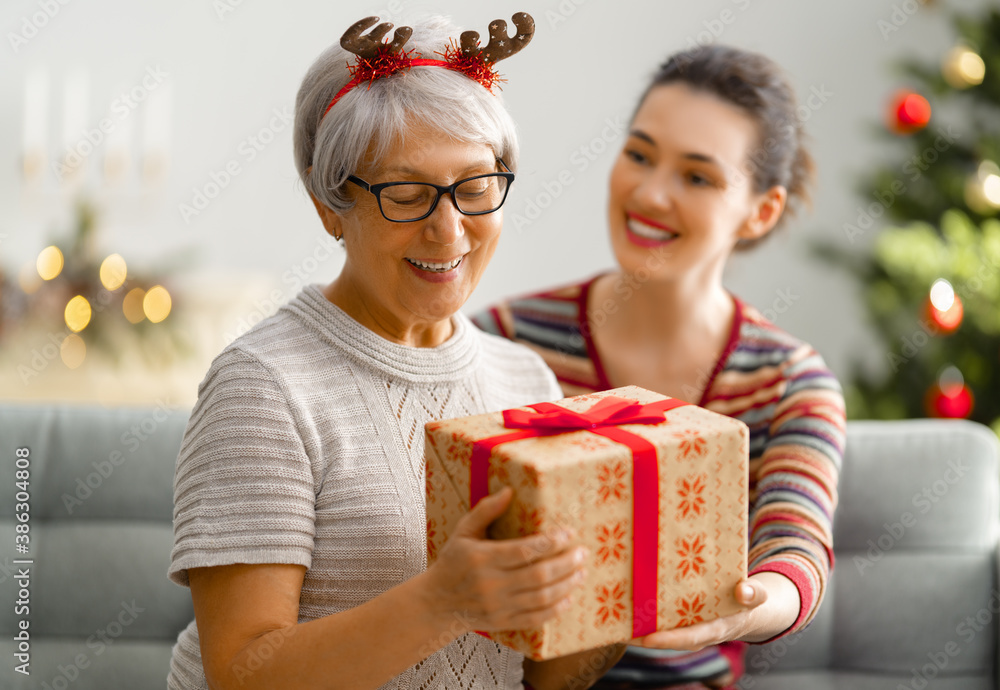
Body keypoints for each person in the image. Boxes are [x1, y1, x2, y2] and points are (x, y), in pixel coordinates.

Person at [167, 14, 627, 690]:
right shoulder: (262, 386)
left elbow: (541, 673)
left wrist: (625, 594)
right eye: (406, 194)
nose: (448, 231)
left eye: (474, 187)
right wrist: (444, 601)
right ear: (330, 206)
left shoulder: (525, 380)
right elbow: (242, 672)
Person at [472, 45, 846, 689]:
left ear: (761, 210)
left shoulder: (791, 384)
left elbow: (797, 553)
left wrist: (742, 610)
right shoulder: (502, 337)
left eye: (697, 177)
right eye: (639, 154)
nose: (649, 193)